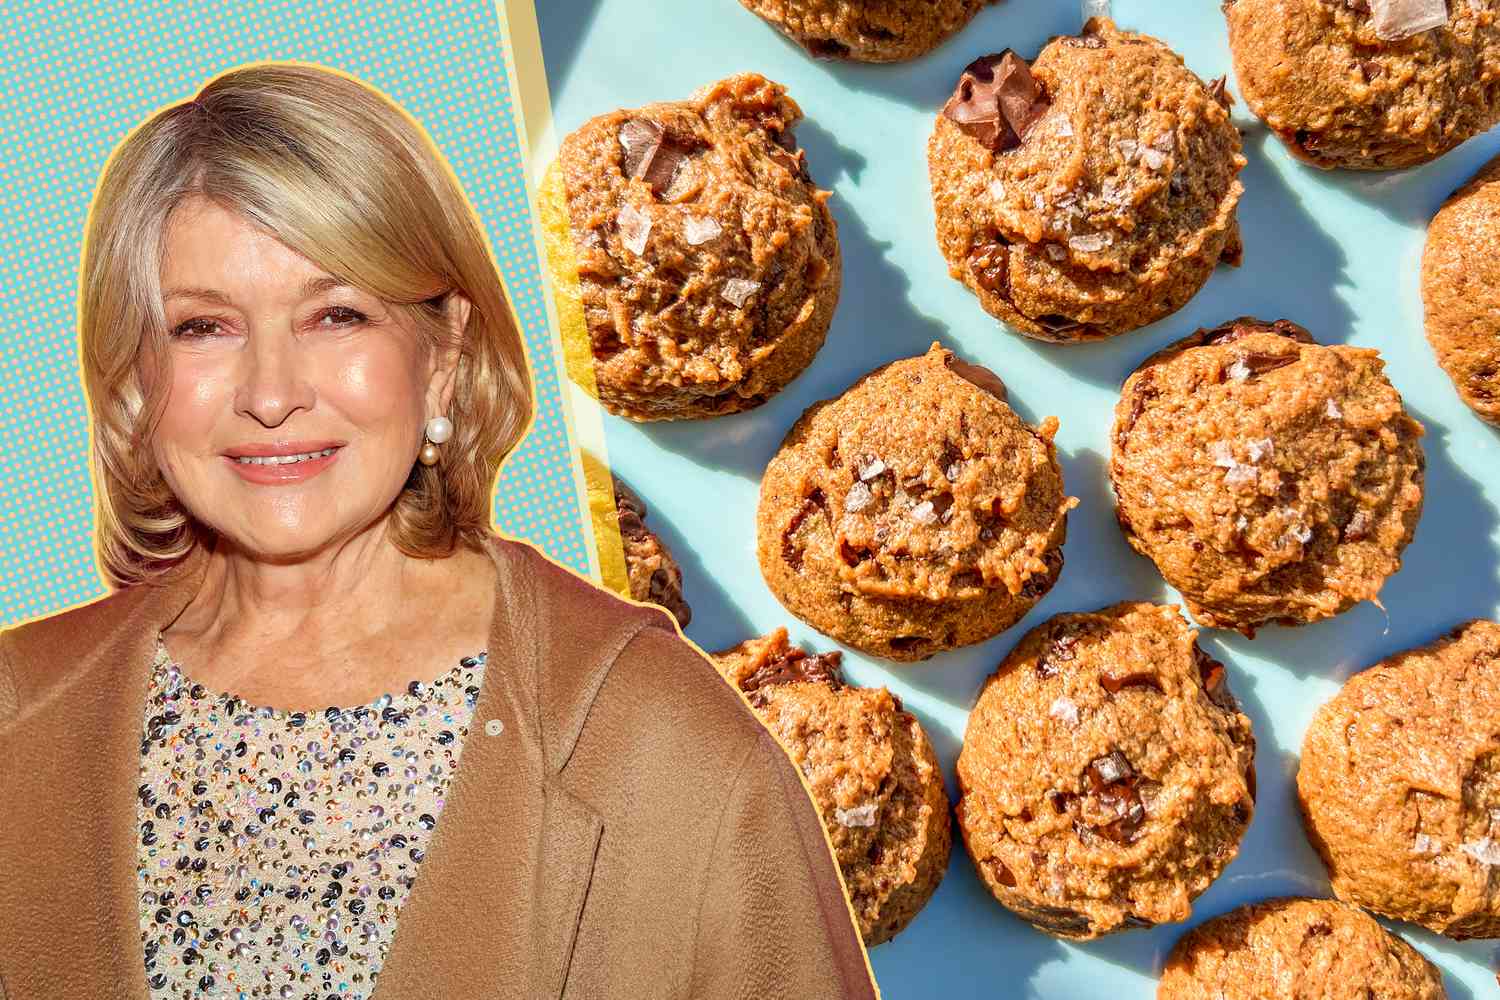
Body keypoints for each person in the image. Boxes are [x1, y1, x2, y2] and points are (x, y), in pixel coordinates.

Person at [0, 63, 878, 1000]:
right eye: (202, 328)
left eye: (336, 315)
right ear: (135, 378)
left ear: (445, 355)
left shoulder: (661, 745)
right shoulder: (21, 714)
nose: (269, 394)